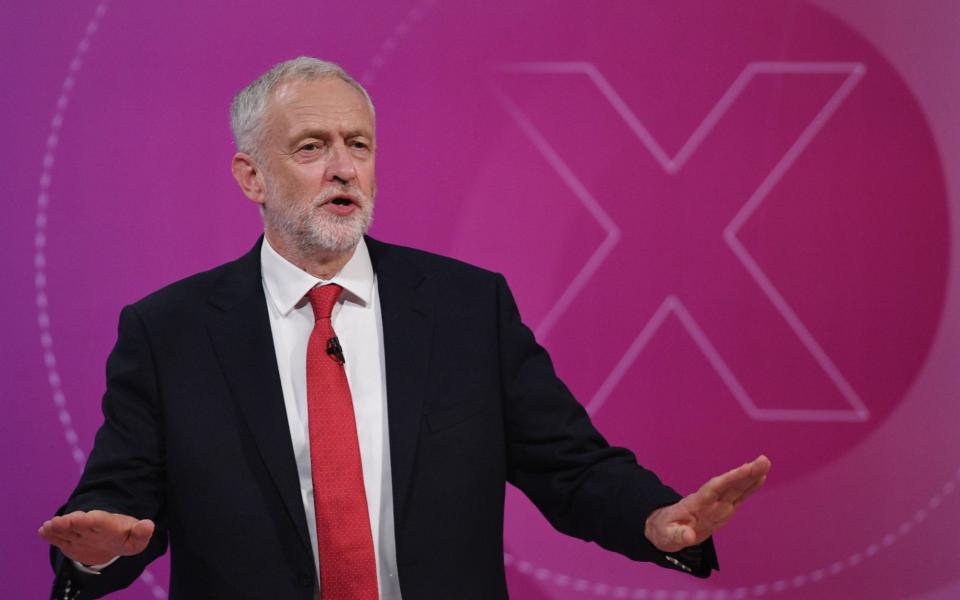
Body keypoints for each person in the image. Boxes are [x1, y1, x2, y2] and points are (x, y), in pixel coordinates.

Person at [40, 57, 771, 599]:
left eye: (358, 145)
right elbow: (116, 509)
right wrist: (99, 549)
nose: (343, 169)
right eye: (311, 147)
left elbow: (571, 467)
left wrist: (655, 519)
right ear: (250, 177)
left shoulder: (466, 310)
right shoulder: (170, 333)